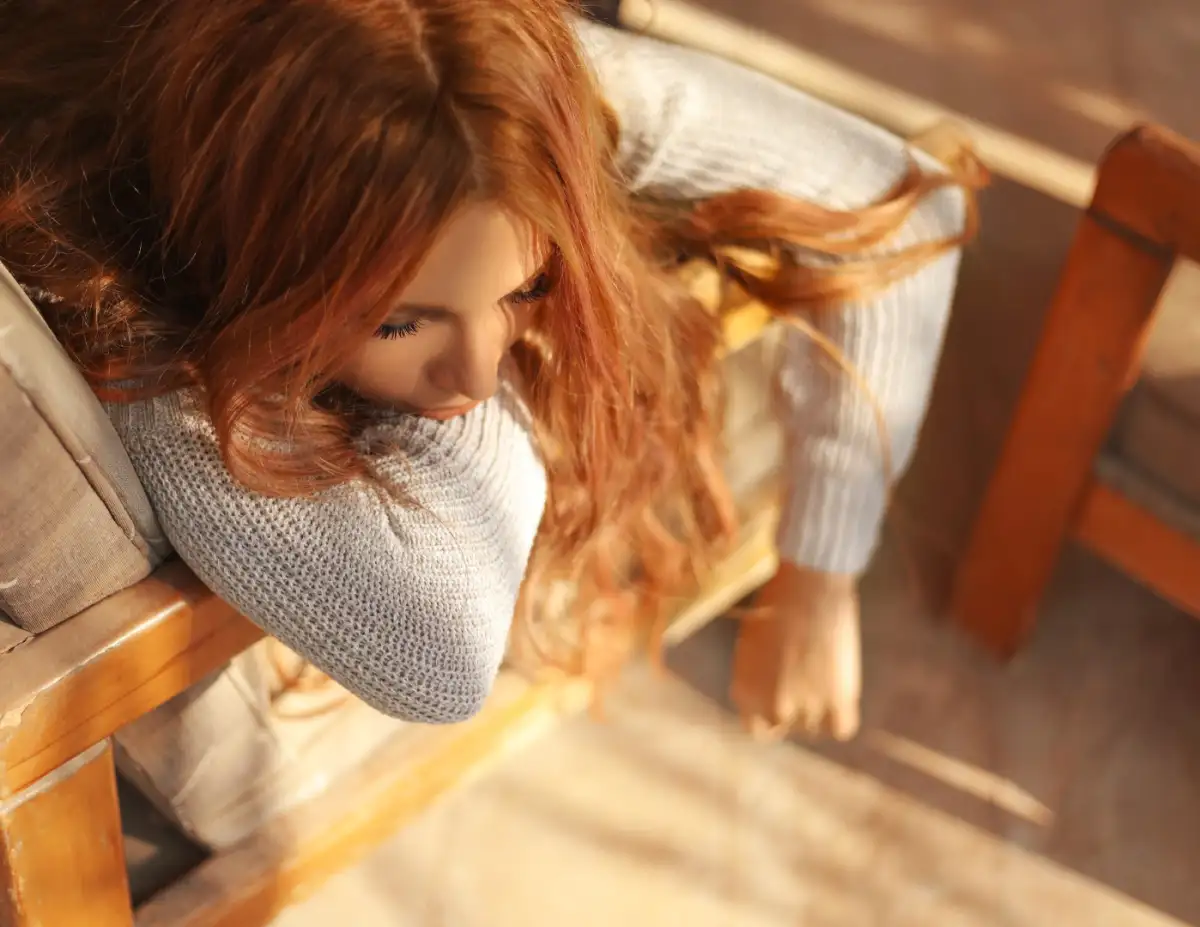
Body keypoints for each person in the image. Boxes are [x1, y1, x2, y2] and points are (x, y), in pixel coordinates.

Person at [0, 0, 977, 739]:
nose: (473, 377)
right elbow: (435, 652)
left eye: (528, 285)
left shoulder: (505, 85)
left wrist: (819, 577)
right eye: (398, 322)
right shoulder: (137, 304)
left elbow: (905, 200)